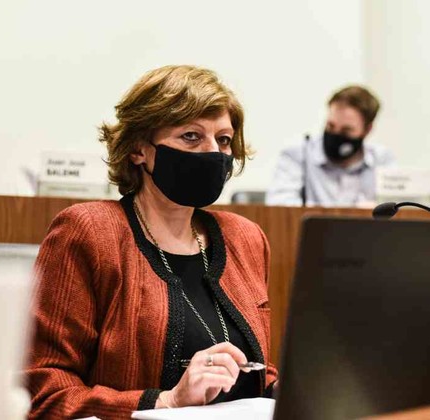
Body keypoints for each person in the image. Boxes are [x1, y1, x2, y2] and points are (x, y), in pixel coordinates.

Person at [26, 65, 277, 419]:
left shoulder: (244, 238)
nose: (213, 152)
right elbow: (46, 391)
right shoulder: (90, 232)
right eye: (191, 136)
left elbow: (255, 370)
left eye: (223, 140)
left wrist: (291, 389)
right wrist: (167, 401)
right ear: (139, 149)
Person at [266, 85, 394, 207]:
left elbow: (395, 208)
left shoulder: (381, 161)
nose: (336, 135)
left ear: (367, 130)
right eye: (330, 126)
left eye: (346, 130)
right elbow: (278, 206)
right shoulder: (298, 155)